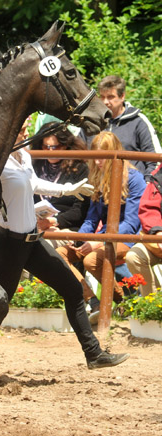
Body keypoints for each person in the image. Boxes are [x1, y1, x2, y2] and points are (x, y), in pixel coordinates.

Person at [0, 128, 129, 382]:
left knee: (72, 290)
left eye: (24, 127)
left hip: (33, 241)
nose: (23, 131)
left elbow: (33, 183)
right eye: (19, 128)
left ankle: (93, 353)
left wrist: (67, 190)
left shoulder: (22, 153)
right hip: (10, 244)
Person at [56, 131, 146, 322]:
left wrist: (97, 241)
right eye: (95, 156)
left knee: (91, 261)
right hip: (103, 237)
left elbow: (131, 224)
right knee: (60, 255)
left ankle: (124, 301)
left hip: (127, 238)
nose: (97, 162)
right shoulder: (97, 177)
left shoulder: (134, 178)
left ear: (115, 153)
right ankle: (93, 301)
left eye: (102, 157)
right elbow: (91, 219)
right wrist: (79, 237)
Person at [85, 75, 161, 176]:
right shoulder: (92, 122)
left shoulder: (138, 121)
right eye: (102, 97)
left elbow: (155, 159)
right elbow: (78, 151)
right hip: (96, 185)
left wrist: (147, 184)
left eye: (110, 97)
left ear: (122, 97)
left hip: (131, 186)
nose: (105, 102)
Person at [32, 122, 91, 247]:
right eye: (46, 147)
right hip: (35, 225)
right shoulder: (35, 166)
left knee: (41, 244)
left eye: (55, 147)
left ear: (65, 145)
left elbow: (80, 210)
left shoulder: (79, 167)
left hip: (67, 227)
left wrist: (55, 221)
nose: (50, 151)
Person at [126, 162, 162, 296]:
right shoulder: (158, 176)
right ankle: (154, 303)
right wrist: (157, 231)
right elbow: (148, 208)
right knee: (134, 256)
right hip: (156, 239)